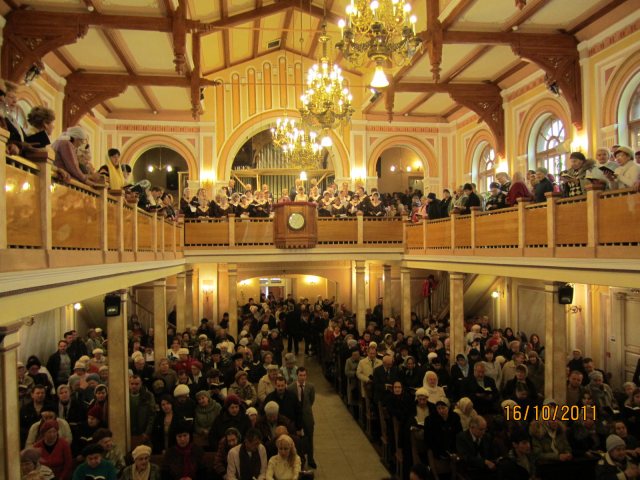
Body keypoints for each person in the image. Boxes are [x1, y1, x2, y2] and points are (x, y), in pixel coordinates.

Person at [287, 367, 316, 468]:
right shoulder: (291, 388)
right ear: (297, 375)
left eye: (304, 375)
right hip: (296, 416)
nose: (302, 377)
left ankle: (311, 459)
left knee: (309, 437)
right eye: (300, 375)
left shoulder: (310, 387)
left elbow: (311, 400)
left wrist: (306, 410)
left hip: (307, 416)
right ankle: (297, 459)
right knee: (296, 438)